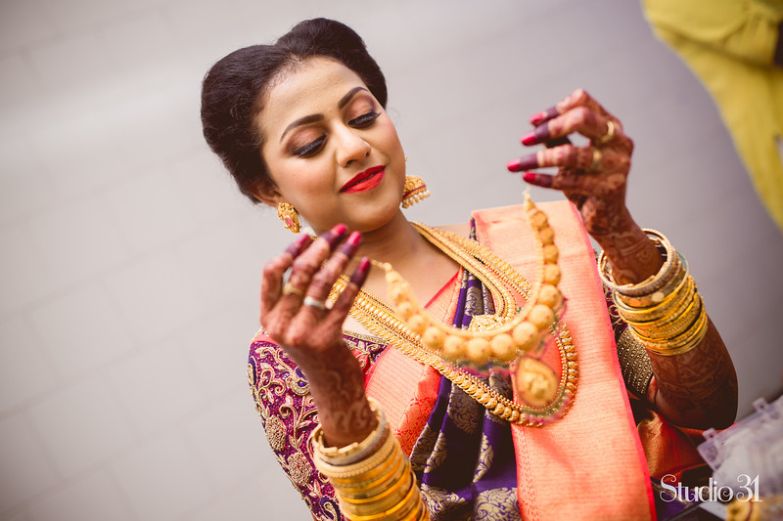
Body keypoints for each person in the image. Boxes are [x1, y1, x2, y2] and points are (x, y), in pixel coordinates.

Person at [200, 18, 738, 520]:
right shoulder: (295, 351)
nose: (354, 146)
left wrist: (621, 235)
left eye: (363, 116)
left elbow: (708, 404)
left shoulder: (531, 245)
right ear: (268, 188)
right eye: (311, 144)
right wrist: (338, 393)